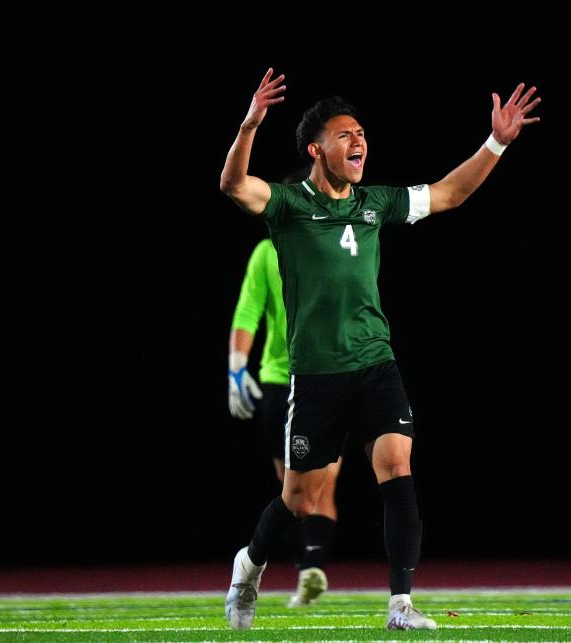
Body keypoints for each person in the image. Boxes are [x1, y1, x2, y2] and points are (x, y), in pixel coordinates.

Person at [219, 68, 541, 631]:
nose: (359, 141)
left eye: (362, 133)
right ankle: (248, 566)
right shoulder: (290, 205)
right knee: (298, 500)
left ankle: (400, 605)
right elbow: (234, 186)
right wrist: (249, 124)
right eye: (345, 135)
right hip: (317, 374)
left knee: (396, 463)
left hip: (376, 364)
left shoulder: (376, 204)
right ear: (317, 149)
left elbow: (449, 193)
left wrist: (496, 143)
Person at [228, 174, 342, 606]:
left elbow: (246, 315)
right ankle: (310, 566)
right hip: (294, 378)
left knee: (297, 491)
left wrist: (237, 369)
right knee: (310, 489)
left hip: (313, 377)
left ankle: (307, 567)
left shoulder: (328, 243)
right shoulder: (268, 252)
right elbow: (248, 312)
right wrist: (237, 369)